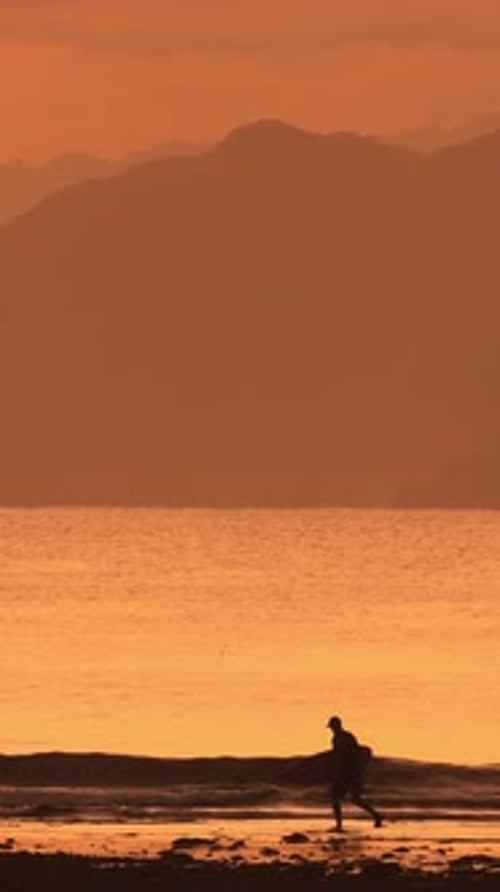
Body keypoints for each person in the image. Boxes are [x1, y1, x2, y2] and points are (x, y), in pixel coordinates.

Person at [327, 715, 383, 832]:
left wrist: (356, 773)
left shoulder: (347, 737)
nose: (331, 729)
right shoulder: (335, 739)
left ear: (338, 725)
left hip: (350, 774)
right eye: (331, 727)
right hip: (342, 774)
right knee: (336, 797)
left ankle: (376, 816)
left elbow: (355, 754)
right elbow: (337, 758)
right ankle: (340, 824)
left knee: (353, 799)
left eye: (332, 727)